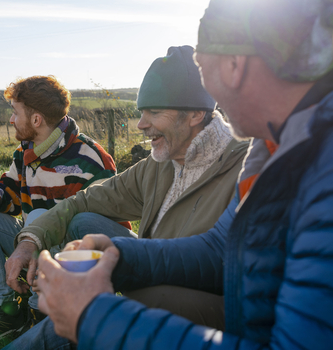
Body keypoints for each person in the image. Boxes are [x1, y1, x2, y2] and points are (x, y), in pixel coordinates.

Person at [31, 0, 333, 348]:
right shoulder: (269, 149)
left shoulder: (318, 168)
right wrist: (119, 254)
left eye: (203, 67)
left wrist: (94, 317)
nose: (208, 93)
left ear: (234, 65)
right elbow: (221, 247)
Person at [3, 46, 249, 349]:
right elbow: (84, 200)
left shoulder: (247, 170)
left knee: (91, 313)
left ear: (196, 114)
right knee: (84, 221)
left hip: (215, 316)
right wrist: (31, 240)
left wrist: (101, 290)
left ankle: (93, 317)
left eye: (154, 112)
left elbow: (233, 271)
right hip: (152, 274)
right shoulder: (160, 165)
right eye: (141, 112)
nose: (141, 124)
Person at [0, 75, 129, 348]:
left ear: (36, 120)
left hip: (73, 262)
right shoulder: (24, 154)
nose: (11, 120)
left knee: (38, 216)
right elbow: (8, 199)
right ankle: (6, 311)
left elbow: (107, 229)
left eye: (15, 112)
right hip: (29, 243)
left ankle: (42, 310)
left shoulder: (91, 158)